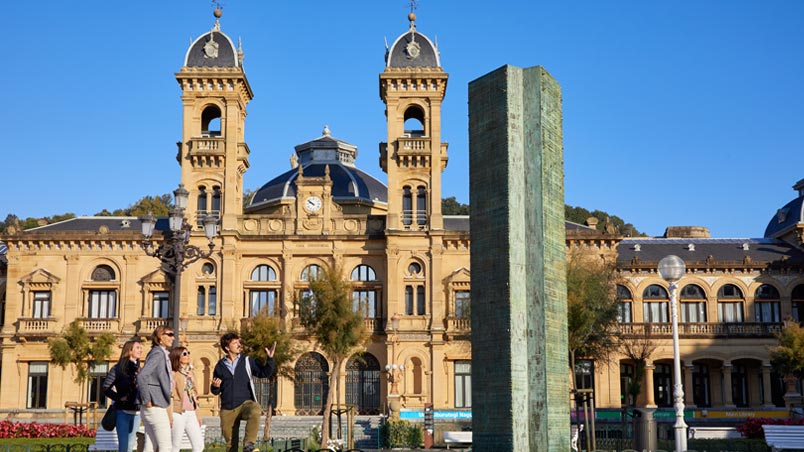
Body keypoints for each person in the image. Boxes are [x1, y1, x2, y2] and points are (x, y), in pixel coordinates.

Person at [211, 333, 276, 452]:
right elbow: (215, 391)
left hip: (245, 403)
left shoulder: (247, 361)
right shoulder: (219, 366)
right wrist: (215, 387)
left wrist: (270, 359)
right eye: (235, 343)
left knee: (255, 409)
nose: (239, 345)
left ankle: (249, 445)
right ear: (227, 347)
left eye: (239, 342)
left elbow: (264, 373)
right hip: (228, 408)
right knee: (231, 446)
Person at [137, 326, 174, 452]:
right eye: (169, 334)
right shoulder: (158, 353)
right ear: (160, 337)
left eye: (172, 335)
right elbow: (142, 376)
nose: (172, 338)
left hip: (153, 406)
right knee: (166, 446)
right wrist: (147, 400)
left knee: (150, 445)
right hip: (154, 405)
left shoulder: (158, 352)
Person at [102, 339, 143, 452]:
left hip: (137, 413)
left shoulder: (140, 369)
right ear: (130, 351)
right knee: (124, 448)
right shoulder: (117, 369)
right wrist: (119, 398)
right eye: (138, 348)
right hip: (123, 412)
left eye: (141, 348)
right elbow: (105, 388)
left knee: (130, 446)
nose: (141, 350)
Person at [169, 346, 203, 452]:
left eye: (188, 353)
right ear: (177, 357)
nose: (187, 355)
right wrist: (170, 415)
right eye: (184, 354)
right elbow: (170, 395)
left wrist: (198, 414)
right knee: (175, 446)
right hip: (178, 412)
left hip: (191, 412)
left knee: (199, 445)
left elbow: (195, 395)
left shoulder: (190, 372)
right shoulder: (173, 373)